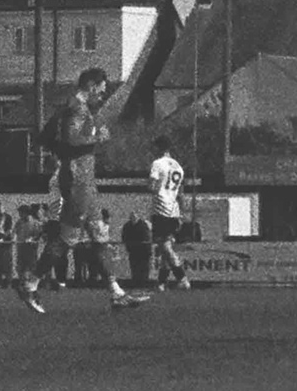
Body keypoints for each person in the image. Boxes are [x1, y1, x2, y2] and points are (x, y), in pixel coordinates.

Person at [21, 67, 140, 311]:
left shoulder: (70, 107)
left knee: (99, 233)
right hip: (78, 180)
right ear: (92, 86)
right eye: (101, 90)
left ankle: (116, 292)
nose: (102, 96)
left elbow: (45, 138)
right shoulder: (77, 107)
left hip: (84, 178)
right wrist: (98, 139)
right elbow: (72, 139)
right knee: (68, 237)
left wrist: (63, 153)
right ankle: (30, 283)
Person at [145, 140, 194, 291]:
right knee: (165, 248)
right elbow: (180, 193)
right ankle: (161, 283)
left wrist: (151, 186)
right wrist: (182, 213)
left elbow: (152, 186)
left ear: (158, 148)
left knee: (165, 247)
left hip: (161, 209)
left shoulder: (157, 163)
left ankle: (182, 278)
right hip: (174, 210)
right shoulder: (178, 167)